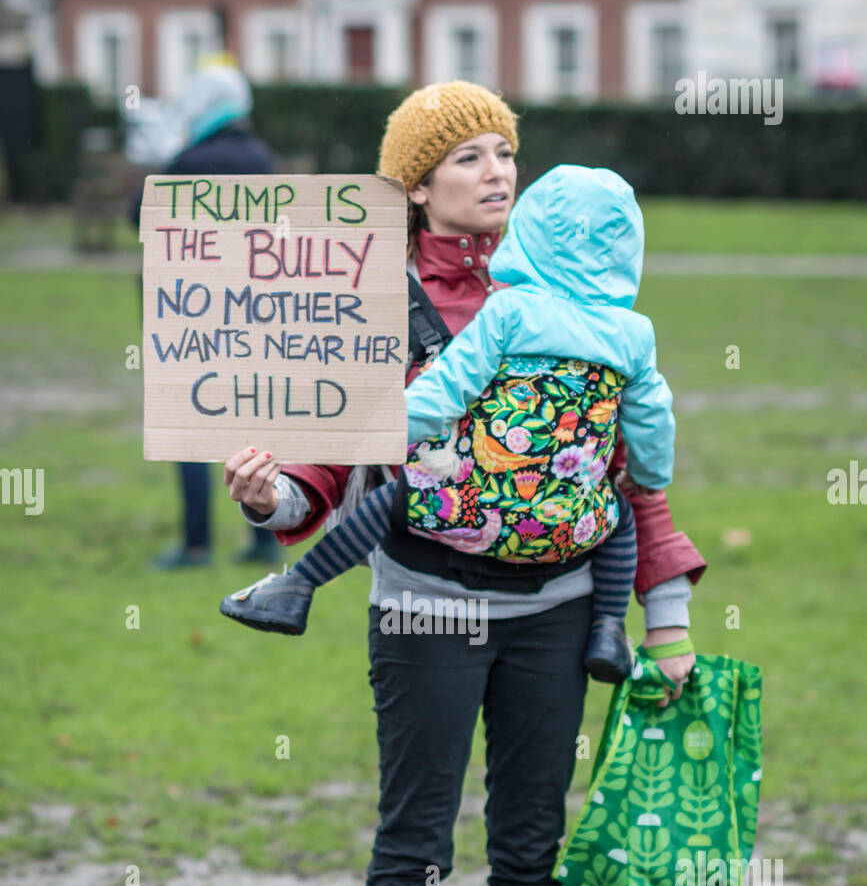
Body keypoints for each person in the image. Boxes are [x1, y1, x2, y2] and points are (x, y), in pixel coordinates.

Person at [223, 81, 707, 886]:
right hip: (427, 608)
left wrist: (664, 615)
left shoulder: (574, 288)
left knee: (528, 856)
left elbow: (626, 468)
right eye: (471, 157)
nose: (499, 171)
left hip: (556, 614)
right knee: (415, 850)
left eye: (507, 152)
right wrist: (269, 496)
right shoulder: (372, 299)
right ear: (418, 186)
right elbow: (324, 472)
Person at [219, 163, 675, 686]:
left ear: (527, 234)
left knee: (391, 502)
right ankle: (610, 632)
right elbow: (652, 420)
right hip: (568, 524)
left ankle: (296, 588)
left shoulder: (508, 313)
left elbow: (446, 390)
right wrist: (651, 474)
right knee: (620, 513)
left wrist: (380, 429)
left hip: (471, 508)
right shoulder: (634, 335)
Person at [128, 59, 279, 570]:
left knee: (189, 427)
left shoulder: (188, 161)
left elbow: (138, 216)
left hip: (190, 317)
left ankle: (196, 544)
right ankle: (263, 537)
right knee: (252, 426)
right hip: (254, 314)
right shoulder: (261, 158)